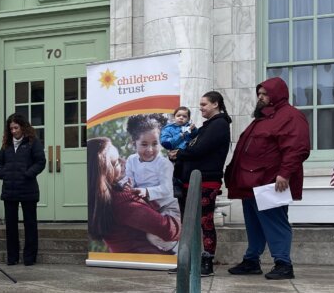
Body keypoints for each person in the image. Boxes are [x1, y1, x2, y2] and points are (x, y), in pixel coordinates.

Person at [224, 76, 311, 279]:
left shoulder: (290, 116)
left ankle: (283, 263)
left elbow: (297, 148)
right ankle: (252, 260)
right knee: (253, 223)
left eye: (265, 94)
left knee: (274, 222)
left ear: (277, 94)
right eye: (259, 94)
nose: (261, 97)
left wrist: (285, 173)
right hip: (250, 181)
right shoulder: (262, 119)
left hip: (271, 181)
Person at [168, 91, 232, 276]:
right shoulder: (207, 126)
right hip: (190, 180)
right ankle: (187, 261)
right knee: (189, 223)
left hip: (206, 180)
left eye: (204, 104)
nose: (200, 108)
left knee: (205, 221)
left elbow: (199, 150)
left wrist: (179, 154)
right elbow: (192, 148)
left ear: (215, 104)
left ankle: (207, 262)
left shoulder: (219, 124)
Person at [88, 137, 181, 255]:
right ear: (104, 172)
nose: (123, 161)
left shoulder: (97, 200)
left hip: (125, 259)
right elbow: (168, 231)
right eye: (116, 162)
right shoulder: (123, 203)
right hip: (151, 260)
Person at [0, 113, 46, 266]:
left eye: (16, 127)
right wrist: (4, 174)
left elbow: (40, 161)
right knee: (11, 226)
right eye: (11, 128)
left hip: (28, 190)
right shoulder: (6, 145)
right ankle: (12, 258)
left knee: (30, 225)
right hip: (9, 191)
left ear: (23, 127)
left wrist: (28, 174)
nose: (13, 131)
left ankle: (29, 258)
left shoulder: (32, 142)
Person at [123, 115, 180, 253]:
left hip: (167, 207)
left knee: (155, 235)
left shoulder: (164, 163)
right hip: (147, 206)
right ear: (133, 143)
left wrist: (146, 191)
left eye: (155, 144)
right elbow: (128, 179)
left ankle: (175, 248)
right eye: (144, 144)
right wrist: (126, 184)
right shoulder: (131, 160)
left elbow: (167, 189)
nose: (149, 150)